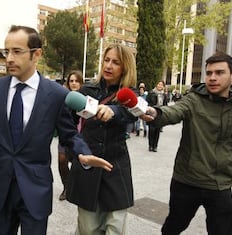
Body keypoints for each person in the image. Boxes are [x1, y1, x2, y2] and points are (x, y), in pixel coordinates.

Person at [0, 25, 113, 235]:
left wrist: (83, 154)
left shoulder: (56, 95)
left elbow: (69, 134)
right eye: (6, 51)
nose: (9, 58)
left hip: (35, 190)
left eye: (17, 51)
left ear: (36, 54)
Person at [144, 52, 232, 235]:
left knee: (224, 227)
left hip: (220, 184)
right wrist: (154, 113)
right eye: (209, 73)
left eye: (219, 72)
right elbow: (173, 112)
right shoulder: (193, 99)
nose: (212, 78)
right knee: (174, 226)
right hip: (187, 181)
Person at [66, 44, 138, 235]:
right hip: (88, 167)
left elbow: (129, 113)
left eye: (116, 62)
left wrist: (112, 111)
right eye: (107, 60)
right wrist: (76, 153)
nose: (109, 65)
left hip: (116, 169)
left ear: (125, 67)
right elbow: (68, 126)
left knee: (115, 228)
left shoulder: (129, 94)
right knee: (88, 229)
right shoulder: (86, 90)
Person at [57, 70, 84, 201]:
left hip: (81, 135)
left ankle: (76, 188)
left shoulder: (86, 97)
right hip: (65, 135)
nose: (73, 83)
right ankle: (66, 187)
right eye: (71, 81)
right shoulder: (64, 97)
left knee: (77, 164)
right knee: (62, 161)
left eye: (76, 81)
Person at [146, 80, 168, 152]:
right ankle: (150, 145)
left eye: (161, 85)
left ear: (163, 86)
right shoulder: (151, 92)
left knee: (157, 131)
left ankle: (155, 146)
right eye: (159, 84)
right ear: (156, 85)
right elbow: (147, 102)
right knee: (151, 130)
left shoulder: (164, 95)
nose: (160, 86)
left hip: (160, 114)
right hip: (152, 113)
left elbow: (165, 105)